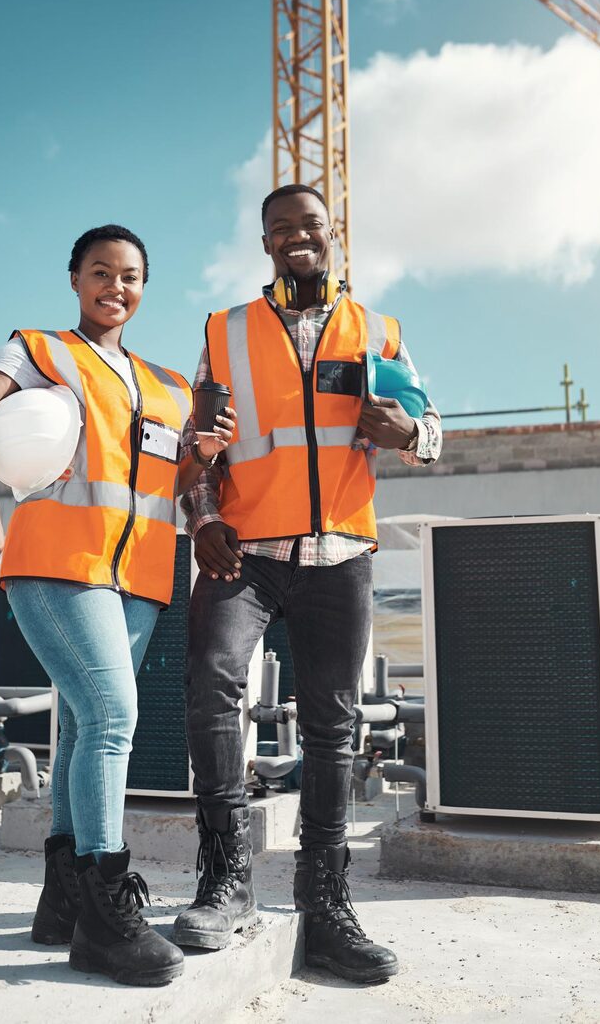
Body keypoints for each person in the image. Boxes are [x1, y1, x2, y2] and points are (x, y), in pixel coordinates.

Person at [0, 224, 236, 987]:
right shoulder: (42, 350)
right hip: (55, 564)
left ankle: (62, 900)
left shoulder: (170, 385)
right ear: (75, 277)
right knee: (112, 718)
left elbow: (172, 482)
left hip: (138, 578)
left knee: (80, 724)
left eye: (131, 275)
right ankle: (108, 910)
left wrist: (202, 457)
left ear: (144, 287)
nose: (117, 286)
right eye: (101, 271)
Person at [173, 185, 442, 984]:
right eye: (281, 227)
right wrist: (200, 514)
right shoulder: (224, 333)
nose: (298, 237)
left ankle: (324, 901)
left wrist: (410, 435)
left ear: (334, 236)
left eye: (311, 226)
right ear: (265, 243)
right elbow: (195, 453)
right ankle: (225, 880)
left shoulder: (379, 331)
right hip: (243, 553)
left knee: (333, 723)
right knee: (212, 682)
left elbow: (432, 429)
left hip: (340, 557)